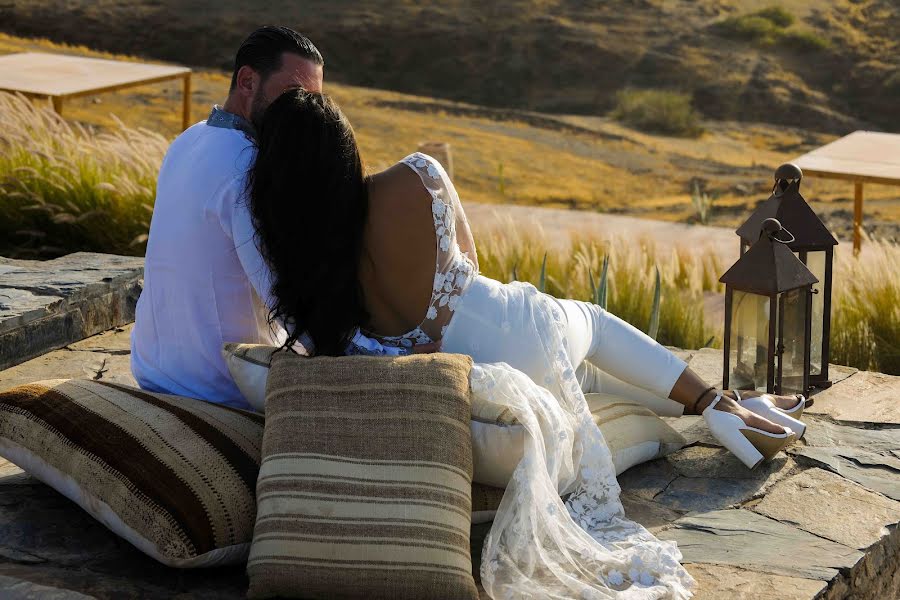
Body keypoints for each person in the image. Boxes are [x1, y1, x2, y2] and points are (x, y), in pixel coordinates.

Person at [246, 88, 813, 597]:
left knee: (587, 379)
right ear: (344, 149)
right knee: (590, 322)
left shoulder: (304, 276)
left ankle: (732, 406)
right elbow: (468, 261)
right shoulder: (413, 176)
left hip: (479, 375)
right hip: (514, 330)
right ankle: (718, 404)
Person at [131, 26, 408, 408]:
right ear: (247, 81)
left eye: (314, 100)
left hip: (155, 369)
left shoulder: (189, 139)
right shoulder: (247, 162)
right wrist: (395, 360)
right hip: (221, 388)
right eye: (294, 96)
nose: (306, 113)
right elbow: (288, 299)